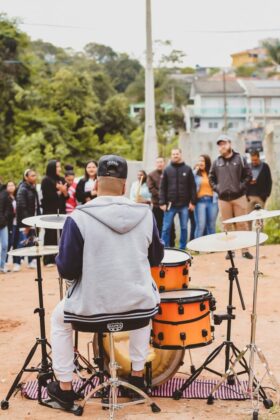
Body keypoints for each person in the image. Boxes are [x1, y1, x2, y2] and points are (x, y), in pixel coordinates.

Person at [46, 155, 164, 409]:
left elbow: (66, 269)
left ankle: (64, 387)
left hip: (91, 310)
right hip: (136, 309)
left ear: (96, 184)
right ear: (124, 186)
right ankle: (137, 377)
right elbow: (156, 257)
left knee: (58, 319)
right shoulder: (146, 214)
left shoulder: (78, 217)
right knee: (143, 302)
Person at [209, 134, 253, 259]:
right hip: (223, 199)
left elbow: (248, 176)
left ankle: (245, 251)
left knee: (242, 224)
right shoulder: (216, 162)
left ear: (230, 144)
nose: (222, 146)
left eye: (224, 143)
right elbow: (211, 177)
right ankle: (230, 251)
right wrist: (218, 189)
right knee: (227, 225)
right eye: (220, 144)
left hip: (239, 197)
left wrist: (240, 187)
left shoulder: (240, 159)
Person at [159, 148, 196, 250]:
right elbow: (162, 188)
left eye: (177, 154)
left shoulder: (187, 169)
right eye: (173, 154)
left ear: (181, 155)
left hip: (184, 205)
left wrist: (193, 202)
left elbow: (193, 187)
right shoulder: (167, 170)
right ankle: (164, 249)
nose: (175, 156)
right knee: (166, 228)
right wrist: (162, 202)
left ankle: (182, 248)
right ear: (171, 156)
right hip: (170, 205)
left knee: (184, 228)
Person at [41, 160, 67, 266]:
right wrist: (60, 191)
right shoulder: (46, 180)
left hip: (61, 210)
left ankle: (61, 257)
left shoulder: (61, 179)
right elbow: (48, 197)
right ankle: (48, 259)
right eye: (57, 167)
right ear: (52, 168)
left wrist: (63, 191)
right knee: (50, 234)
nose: (59, 169)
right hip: (49, 211)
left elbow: (66, 196)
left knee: (62, 234)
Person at [15, 169, 41, 271]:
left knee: (32, 240)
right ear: (26, 177)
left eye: (35, 175)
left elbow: (36, 205)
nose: (34, 177)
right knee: (22, 242)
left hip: (33, 219)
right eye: (32, 176)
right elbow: (21, 206)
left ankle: (31, 261)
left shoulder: (33, 188)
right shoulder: (22, 189)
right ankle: (17, 263)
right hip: (25, 221)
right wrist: (27, 223)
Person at [147, 157, 176, 246]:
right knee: (157, 227)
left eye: (161, 162)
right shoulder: (151, 175)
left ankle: (171, 246)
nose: (159, 164)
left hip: (168, 206)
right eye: (158, 162)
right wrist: (162, 197)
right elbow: (151, 189)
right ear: (156, 164)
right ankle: (158, 247)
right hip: (157, 205)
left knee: (170, 227)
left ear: (164, 163)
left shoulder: (169, 173)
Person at [193, 155, 218, 238]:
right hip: (200, 202)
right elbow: (190, 188)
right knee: (201, 225)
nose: (200, 163)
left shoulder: (212, 173)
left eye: (203, 161)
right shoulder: (195, 173)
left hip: (212, 202)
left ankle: (212, 247)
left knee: (211, 226)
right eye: (199, 161)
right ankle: (196, 248)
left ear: (207, 162)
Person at [247, 151, 272, 224]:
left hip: (261, 197)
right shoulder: (248, 167)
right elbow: (244, 180)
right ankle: (249, 235)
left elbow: (269, 181)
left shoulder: (265, 167)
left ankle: (260, 234)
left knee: (260, 220)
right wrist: (246, 195)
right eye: (252, 160)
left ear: (259, 158)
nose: (254, 162)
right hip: (249, 197)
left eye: (255, 160)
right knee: (248, 219)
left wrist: (266, 195)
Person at [0, 185, 13, 273]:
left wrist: (4, 218)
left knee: (5, 245)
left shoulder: (4, 193)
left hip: (3, 224)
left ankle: (1, 265)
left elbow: (9, 208)